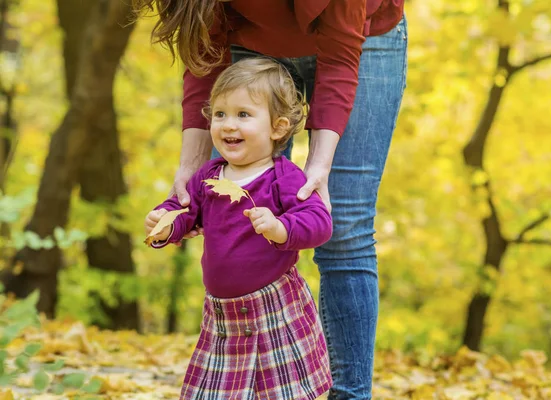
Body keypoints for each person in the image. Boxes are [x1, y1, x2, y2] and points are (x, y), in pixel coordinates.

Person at [136, 0, 407, 398]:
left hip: (363, 42)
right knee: (229, 211)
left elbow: (340, 59)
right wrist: (187, 173)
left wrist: (319, 167)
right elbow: (203, 55)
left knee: (344, 226)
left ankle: (349, 393)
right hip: (250, 46)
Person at [145, 58, 333, 399]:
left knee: (279, 393)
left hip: (273, 307)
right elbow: (186, 212)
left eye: (243, 115)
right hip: (222, 316)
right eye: (220, 114)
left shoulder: (284, 177)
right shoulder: (209, 176)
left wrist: (281, 228)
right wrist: (165, 222)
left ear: (277, 127)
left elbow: (320, 223)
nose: (228, 125)